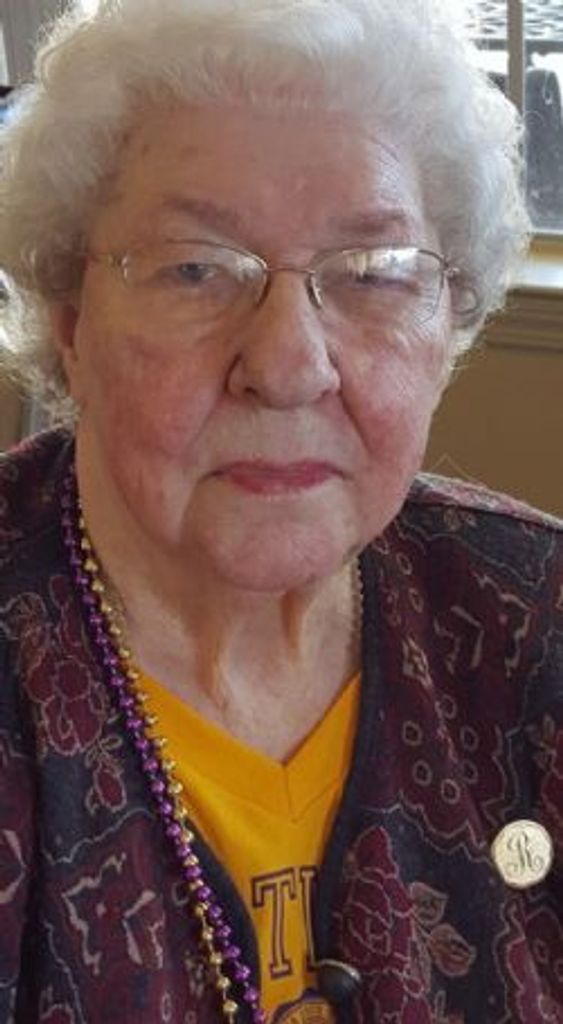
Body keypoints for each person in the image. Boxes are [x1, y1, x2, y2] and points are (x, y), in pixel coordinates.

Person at [0, 0, 561, 1021]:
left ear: (447, 320)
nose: (288, 366)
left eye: (373, 273)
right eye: (196, 268)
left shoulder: (533, 612)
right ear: (70, 322)